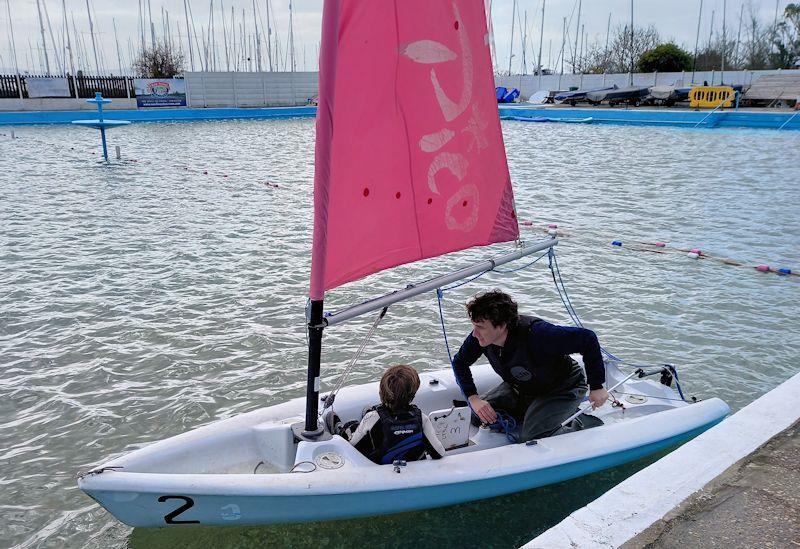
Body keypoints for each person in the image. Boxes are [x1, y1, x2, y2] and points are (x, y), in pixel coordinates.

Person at [452, 290, 609, 443]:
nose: (474, 334)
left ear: (501, 325)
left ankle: (580, 422)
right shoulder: (480, 338)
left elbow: (587, 338)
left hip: (562, 387)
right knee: (476, 415)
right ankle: (534, 411)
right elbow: (459, 362)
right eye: (474, 326)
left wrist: (596, 386)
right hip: (522, 386)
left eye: (480, 327)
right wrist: (473, 398)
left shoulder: (539, 334)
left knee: (532, 437)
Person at [339, 364, 446, 464]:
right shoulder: (422, 418)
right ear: (412, 395)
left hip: (380, 468)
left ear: (382, 391)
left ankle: (340, 428)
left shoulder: (371, 418)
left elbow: (352, 447)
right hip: (411, 468)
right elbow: (439, 453)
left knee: (351, 426)